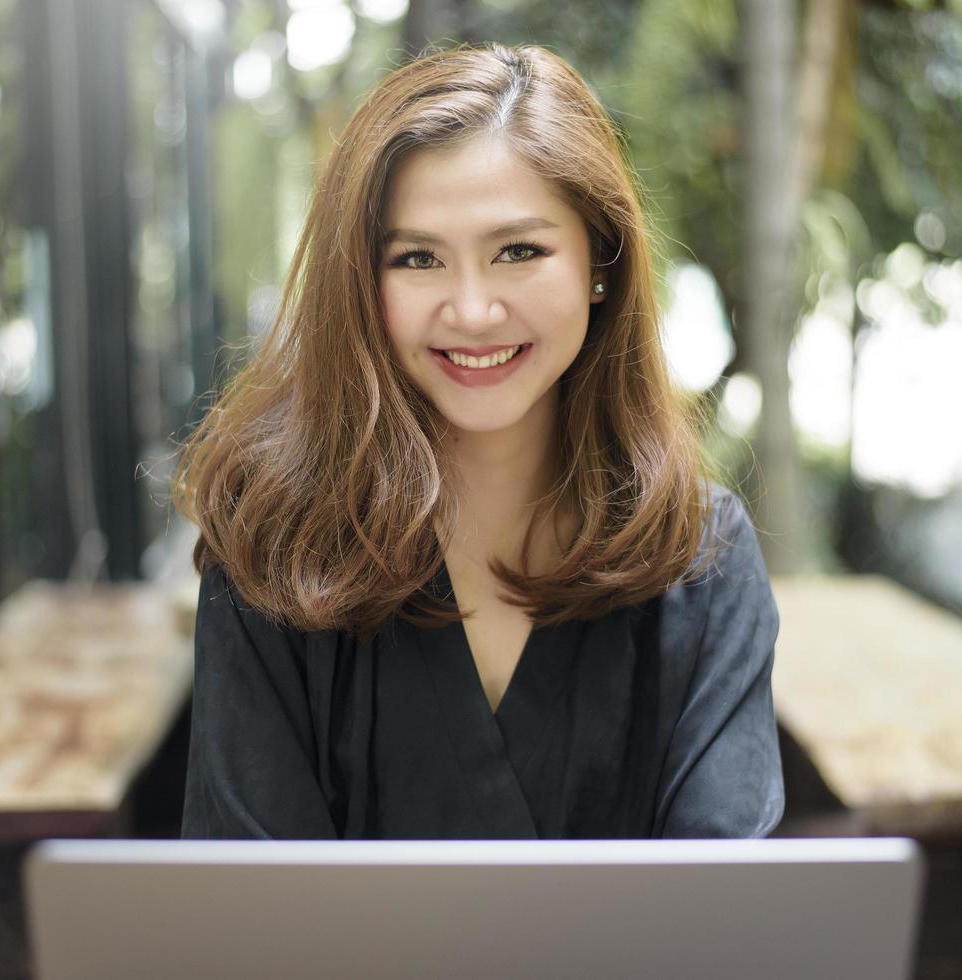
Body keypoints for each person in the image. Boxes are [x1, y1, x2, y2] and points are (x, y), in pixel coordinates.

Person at [174, 44, 784, 839]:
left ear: (602, 262)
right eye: (418, 258)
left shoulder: (704, 562)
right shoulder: (274, 552)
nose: (471, 310)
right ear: (364, 282)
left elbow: (729, 928)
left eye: (519, 252)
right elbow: (248, 930)